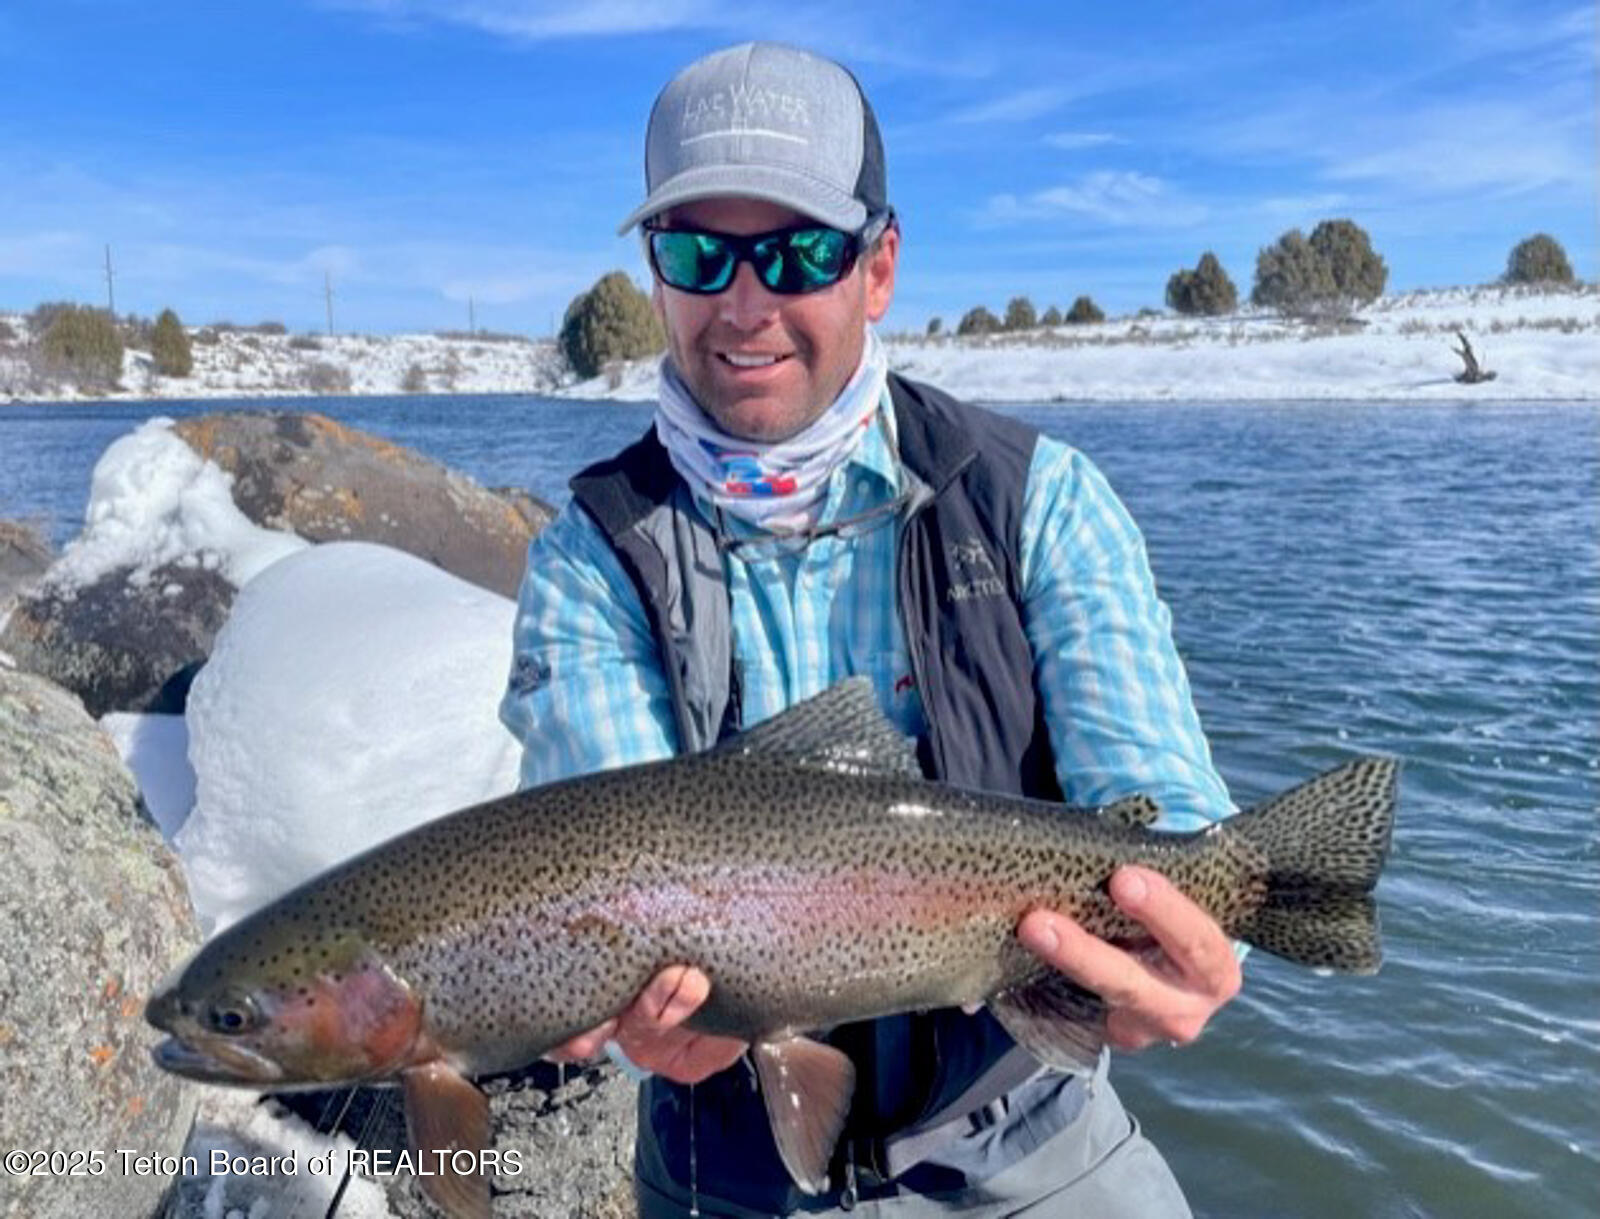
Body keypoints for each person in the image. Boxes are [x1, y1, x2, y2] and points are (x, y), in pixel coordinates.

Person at [500, 40, 1241, 1218]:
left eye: (797, 251)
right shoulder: (593, 553)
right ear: (656, 277)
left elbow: (1163, 802)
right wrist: (633, 1008)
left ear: (878, 266)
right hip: (725, 1159)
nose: (744, 304)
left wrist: (1185, 936)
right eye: (698, 253)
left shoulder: (1036, 499)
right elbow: (610, 852)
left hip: (1030, 1130)